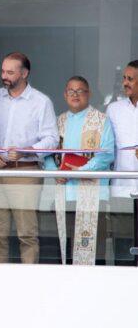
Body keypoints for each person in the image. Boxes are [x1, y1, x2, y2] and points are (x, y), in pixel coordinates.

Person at [0, 52, 59, 264]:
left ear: (24, 74)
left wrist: (26, 150)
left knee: (27, 233)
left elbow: (52, 139)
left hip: (25, 171)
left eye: (10, 72)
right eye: (3, 71)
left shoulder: (41, 102)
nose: (4, 76)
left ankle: (30, 280)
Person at [44, 76, 114, 265]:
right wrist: (54, 171)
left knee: (93, 250)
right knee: (63, 252)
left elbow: (107, 154)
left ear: (89, 94)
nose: (75, 95)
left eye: (80, 91)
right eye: (71, 91)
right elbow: (47, 154)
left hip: (93, 196)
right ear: (65, 95)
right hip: (64, 195)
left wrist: (82, 170)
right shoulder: (58, 122)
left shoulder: (101, 121)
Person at [107, 59, 138, 266]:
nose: (125, 83)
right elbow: (106, 147)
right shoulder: (114, 109)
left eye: (130, 79)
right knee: (122, 249)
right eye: (125, 78)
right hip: (121, 188)